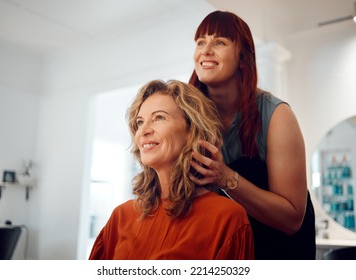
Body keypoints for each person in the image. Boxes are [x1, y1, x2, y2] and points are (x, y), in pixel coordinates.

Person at [188, 11, 316, 260]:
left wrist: (225, 177)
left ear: (243, 59)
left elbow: (292, 219)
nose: (206, 50)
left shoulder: (277, 115)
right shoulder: (188, 117)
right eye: (201, 42)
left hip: (282, 251)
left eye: (220, 42)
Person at [89, 79, 254, 260]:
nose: (143, 131)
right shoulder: (120, 217)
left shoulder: (226, 218)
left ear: (192, 130)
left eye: (159, 117)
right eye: (139, 122)